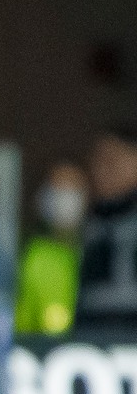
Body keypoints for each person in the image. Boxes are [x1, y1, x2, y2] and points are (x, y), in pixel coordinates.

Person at [15, 162, 85, 336]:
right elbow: (23, 322)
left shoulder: (98, 247)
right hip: (48, 350)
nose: (65, 200)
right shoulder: (35, 255)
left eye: (72, 191)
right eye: (57, 191)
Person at [79, 128, 137, 327]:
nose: (103, 170)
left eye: (113, 161)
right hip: (89, 342)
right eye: (98, 162)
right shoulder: (86, 225)